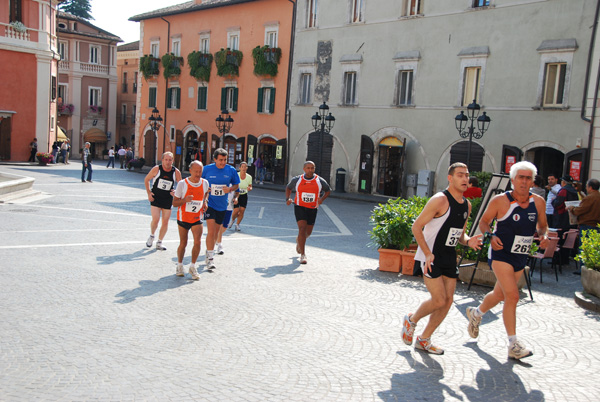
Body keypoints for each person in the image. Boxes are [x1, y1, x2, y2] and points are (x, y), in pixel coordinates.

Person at [466, 161, 549, 360]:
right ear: (512, 179)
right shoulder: (500, 201)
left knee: (499, 294)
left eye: (528, 178)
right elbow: (484, 222)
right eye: (521, 177)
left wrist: (544, 236)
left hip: (520, 255)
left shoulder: (538, 202)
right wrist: (491, 237)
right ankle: (513, 344)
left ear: (533, 181)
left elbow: (542, 226)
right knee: (512, 296)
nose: (524, 181)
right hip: (500, 254)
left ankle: (476, 313)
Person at [400, 162, 482, 355]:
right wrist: (428, 253)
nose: (465, 179)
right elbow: (416, 226)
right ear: (450, 178)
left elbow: (460, 235)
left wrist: (469, 241)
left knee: (447, 301)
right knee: (438, 300)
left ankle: (424, 339)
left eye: (467, 175)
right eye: (460, 175)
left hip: (449, 257)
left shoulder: (466, 205)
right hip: (431, 256)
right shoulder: (439, 200)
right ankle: (411, 320)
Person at [285, 161, 331, 264]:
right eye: (308, 168)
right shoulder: (297, 180)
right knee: (302, 228)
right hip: (299, 206)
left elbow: (328, 190)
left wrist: (322, 199)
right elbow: (288, 188)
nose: (310, 170)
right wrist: (288, 198)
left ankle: (299, 241)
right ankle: (303, 255)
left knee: (308, 233)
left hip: (312, 208)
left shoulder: (319, 180)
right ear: (304, 169)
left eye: (312, 168)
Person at [201, 148, 240, 270]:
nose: (223, 162)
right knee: (211, 231)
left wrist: (230, 189)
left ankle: (209, 253)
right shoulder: (207, 169)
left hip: (222, 205)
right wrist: (204, 192)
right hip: (209, 204)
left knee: (216, 232)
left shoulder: (231, 170)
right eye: (220, 160)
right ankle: (211, 257)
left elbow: (236, 185)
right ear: (215, 159)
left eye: (225, 160)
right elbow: (199, 182)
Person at [172, 161, 210, 280]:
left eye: (200, 172)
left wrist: (205, 202)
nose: (198, 174)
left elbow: (205, 194)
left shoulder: (205, 183)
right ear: (190, 170)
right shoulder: (182, 184)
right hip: (183, 218)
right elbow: (174, 203)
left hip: (197, 218)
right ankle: (179, 265)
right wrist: (185, 200)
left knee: (198, 242)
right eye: (196, 171)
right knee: (183, 243)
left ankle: (193, 266)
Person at [144, 152, 182, 251]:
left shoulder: (176, 172)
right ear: (162, 160)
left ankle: (159, 242)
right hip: (156, 197)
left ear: (173, 161)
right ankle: (152, 236)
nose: (168, 162)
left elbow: (181, 185)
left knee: (165, 222)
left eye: (170, 160)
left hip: (167, 199)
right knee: (156, 219)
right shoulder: (157, 169)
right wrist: (149, 193)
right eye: (166, 159)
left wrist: (176, 192)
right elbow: (147, 179)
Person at [231, 161, 253, 231]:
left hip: (244, 195)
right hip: (236, 194)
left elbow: (250, 186)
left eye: (245, 167)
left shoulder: (249, 177)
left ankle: (237, 224)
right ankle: (232, 220)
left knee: (242, 210)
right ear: (239, 168)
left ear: (247, 168)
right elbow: (233, 184)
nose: (243, 168)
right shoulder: (236, 175)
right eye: (242, 167)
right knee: (236, 210)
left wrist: (250, 188)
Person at [216, 185, 237, 255]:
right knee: (220, 226)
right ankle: (219, 245)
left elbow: (237, 192)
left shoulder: (234, 183)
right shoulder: (222, 181)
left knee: (224, 227)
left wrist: (236, 198)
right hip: (220, 207)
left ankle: (216, 237)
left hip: (229, 208)